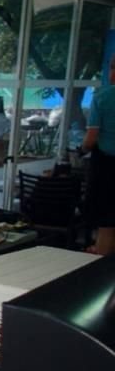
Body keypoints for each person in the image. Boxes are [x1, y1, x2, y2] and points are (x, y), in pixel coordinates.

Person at [81, 54, 115, 256]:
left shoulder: (102, 97)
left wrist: (82, 149)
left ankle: (101, 279)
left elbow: (91, 138)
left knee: (107, 225)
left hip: (107, 166)